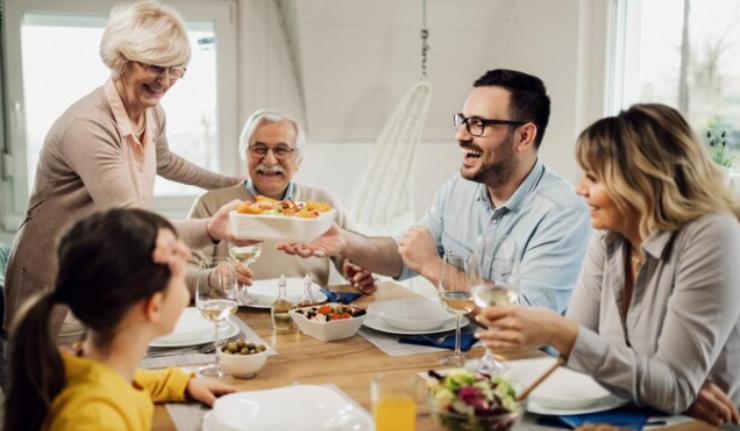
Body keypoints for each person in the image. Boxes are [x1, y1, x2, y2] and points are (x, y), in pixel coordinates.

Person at [475, 104, 740, 426]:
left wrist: (564, 335)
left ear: (644, 181)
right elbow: (580, 363)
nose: (579, 189)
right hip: (637, 415)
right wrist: (661, 388)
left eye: (594, 177)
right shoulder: (611, 236)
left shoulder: (713, 235)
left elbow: (670, 387)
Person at [4, 0, 247, 341]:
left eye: (176, 69)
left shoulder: (151, 113)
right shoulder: (88, 126)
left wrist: (230, 183)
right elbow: (132, 222)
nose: (165, 80)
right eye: (154, 66)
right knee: (60, 390)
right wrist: (211, 228)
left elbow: (165, 161)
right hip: (59, 285)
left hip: (105, 274)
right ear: (121, 61)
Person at [280, 69, 591, 312]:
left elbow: (526, 320)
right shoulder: (459, 188)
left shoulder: (562, 213)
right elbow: (404, 259)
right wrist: (344, 241)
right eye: (462, 121)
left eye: (478, 124)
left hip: (524, 371)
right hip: (456, 349)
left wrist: (432, 266)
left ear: (524, 136)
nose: (460, 136)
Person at [3, 208, 237, 431]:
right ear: (153, 307)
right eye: (179, 268)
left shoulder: (91, 364)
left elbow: (130, 379)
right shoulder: (94, 419)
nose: (186, 256)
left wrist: (183, 383)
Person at [188, 110, 375, 292]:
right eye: (258, 149)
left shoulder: (323, 203)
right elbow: (179, 273)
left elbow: (356, 257)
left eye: (281, 150)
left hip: (307, 317)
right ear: (245, 154)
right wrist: (212, 278)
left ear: (299, 160)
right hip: (234, 318)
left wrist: (357, 272)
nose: (269, 160)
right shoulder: (210, 204)